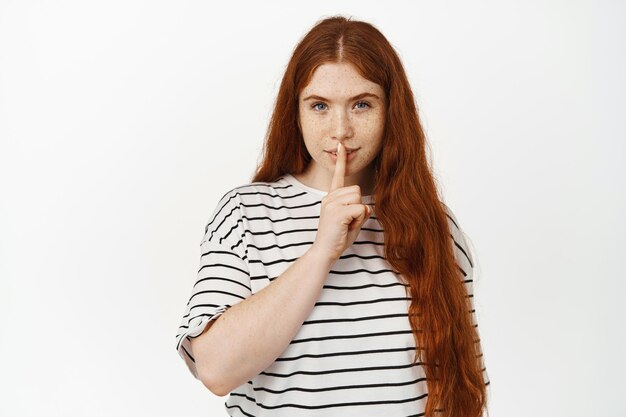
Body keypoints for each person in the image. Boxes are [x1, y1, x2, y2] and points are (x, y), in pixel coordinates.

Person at [175, 15, 490, 417]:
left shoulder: (436, 225)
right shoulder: (246, 214)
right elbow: (215, 370)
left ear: (391, 110)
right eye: (320, 105)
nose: (340, 129)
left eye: (361, 104)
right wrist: (322, 251)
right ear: (296, 112)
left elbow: (461, 390)